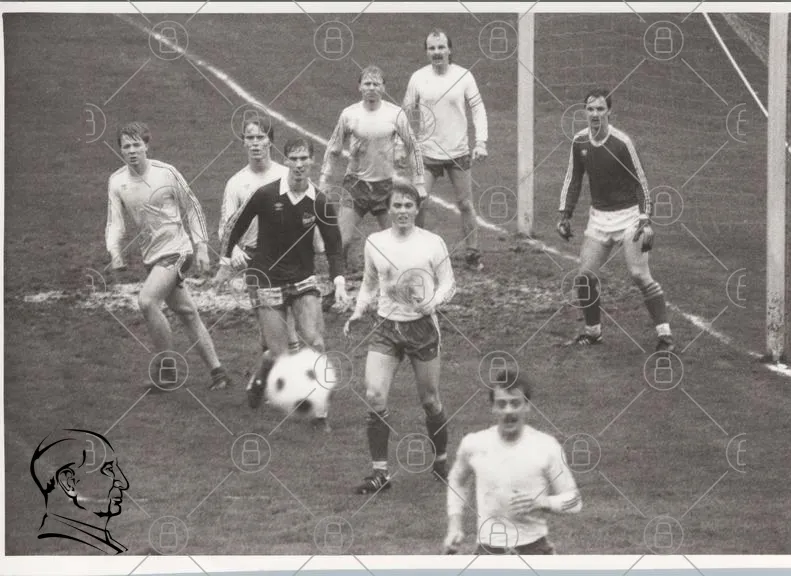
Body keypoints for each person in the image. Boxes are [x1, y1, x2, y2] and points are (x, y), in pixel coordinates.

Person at [221, 137, 348, 426]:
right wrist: (227, 259)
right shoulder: (266, 195)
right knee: (279, 354)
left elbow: (334, 246)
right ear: (286, 160)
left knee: (315, 341)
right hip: (266, 278)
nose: (300, 164)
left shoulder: (319, 201)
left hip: (302, 278)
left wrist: (339, 281)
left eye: (305, 158)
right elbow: (235, 226)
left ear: (312, 161)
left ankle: (319, 411)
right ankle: (261, 375)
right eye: (294, 158)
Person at [344, 178, 456, 494]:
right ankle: (380, 474)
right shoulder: (375, 242)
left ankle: (441, 461)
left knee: (430, 400)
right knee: (374, 395)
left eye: (408, 205)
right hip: (386, 327)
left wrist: (433, 302)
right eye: (397, 205)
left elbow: (449, 284)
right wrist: (358, 310)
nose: (403, 211)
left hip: (422, 328)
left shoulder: (432, 243)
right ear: (389, 209)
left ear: (417, 209)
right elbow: (369, 283)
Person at [106, 122, 232, 390]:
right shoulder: (117, 181)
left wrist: (201, 246)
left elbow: (193, 207)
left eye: (137, 144)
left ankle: (168, 371)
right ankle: (219, 373)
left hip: (178, 251)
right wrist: (115, 251)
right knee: (187, 313)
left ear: (146, 145)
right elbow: (115, 222)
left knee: (147, 301)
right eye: (126, 146)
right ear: (120, 150)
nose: (132, 150)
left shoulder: (166, 173)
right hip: (152, 256)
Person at [557, 88, 675, 352]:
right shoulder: (579, 142)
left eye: (600, 109)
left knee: (639, 275)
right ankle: (593, 332)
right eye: (590, 109)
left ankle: (665, 335)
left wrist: (645, 218)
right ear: (584, 112)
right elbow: (573, 178)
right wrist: (565, 214)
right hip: (599, 219)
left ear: (609, 111)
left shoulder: (621, 143)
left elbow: (641, 182)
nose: (595, 114)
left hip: (629, 217)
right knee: (584, 277)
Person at [443, 369, 582, 555]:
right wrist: (454, 526)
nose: (508, 411)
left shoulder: (546, 446)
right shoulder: (474, 444)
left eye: (515, 403)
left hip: (534, 549)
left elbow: (574, 501)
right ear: (493, 408)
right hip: (488, 552)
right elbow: (457, 481)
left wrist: (543, 502)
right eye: (502, 404)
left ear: (527, 406)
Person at [212, 116, 316, 354]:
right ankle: (272, 371)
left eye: (260, 137)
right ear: (243, 142)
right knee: (269, 331)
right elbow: (226, 226)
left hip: (288, 257)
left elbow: (309, 208)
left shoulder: (286, 174)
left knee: (287, 329)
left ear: (270, 141)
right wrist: (234, 250)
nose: (255, 142)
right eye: (250, 137)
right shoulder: (236, 183)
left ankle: (284, 369)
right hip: (256, 261)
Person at [319, 65, 426, 273]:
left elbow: (413, 147)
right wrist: (325, 179)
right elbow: (333, 149)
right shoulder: (349, 114)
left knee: (398, 240)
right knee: (342, 240)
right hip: (355, 186)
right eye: (367, 83)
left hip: (386, 188)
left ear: (383, 88)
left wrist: (419, 181)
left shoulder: (395, 114)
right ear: (359, 87)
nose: (371, 88)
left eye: (376, 84)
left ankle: (401, 278)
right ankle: (337, 280)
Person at [403, 28, 488, 271]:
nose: (437, 52)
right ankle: (416, 252)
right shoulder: (418, 78)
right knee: (419, 200)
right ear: (426, 52)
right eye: (432, 48)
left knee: (465, 204)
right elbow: (406, 113)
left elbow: (478, 109)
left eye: (441, 47)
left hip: (458, 152)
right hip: (427, 152)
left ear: (449, 50)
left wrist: (481, 142)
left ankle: (472, 253)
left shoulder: (464, 76)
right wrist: (401, 144)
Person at [30, 429, 129, 555]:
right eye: (108, 469)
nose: (123, 483)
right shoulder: (55, 550)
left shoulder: (109, 547)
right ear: (68, 482)